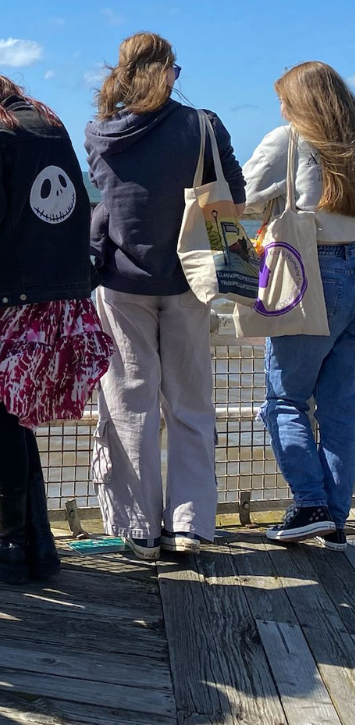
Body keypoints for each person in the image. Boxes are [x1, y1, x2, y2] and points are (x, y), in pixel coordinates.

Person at [0, 73, 111, 584]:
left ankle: (12, 542)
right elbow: (78, 211)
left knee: (6, 414)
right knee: (18, 415)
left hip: (10, 303)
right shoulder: (54, 131)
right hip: (65, 301)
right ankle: (40, 540)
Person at [86, 32, 245, 558]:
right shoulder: (202, 125)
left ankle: (138, 530)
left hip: (120, 279)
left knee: (130, 403)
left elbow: (109, 198)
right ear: (170, 72)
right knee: (191, 404)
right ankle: (191, 525)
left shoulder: (100, 131)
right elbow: (234, 196)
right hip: (191, 279)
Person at [242, 62, 355, 550]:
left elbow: (240, 198)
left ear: (299, 102)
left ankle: (309, 504)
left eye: (284, 98)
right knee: (341, 406)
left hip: (313, 268)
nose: (281, 107)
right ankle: (332, 516)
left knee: (285, 397)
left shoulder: (288, 138)